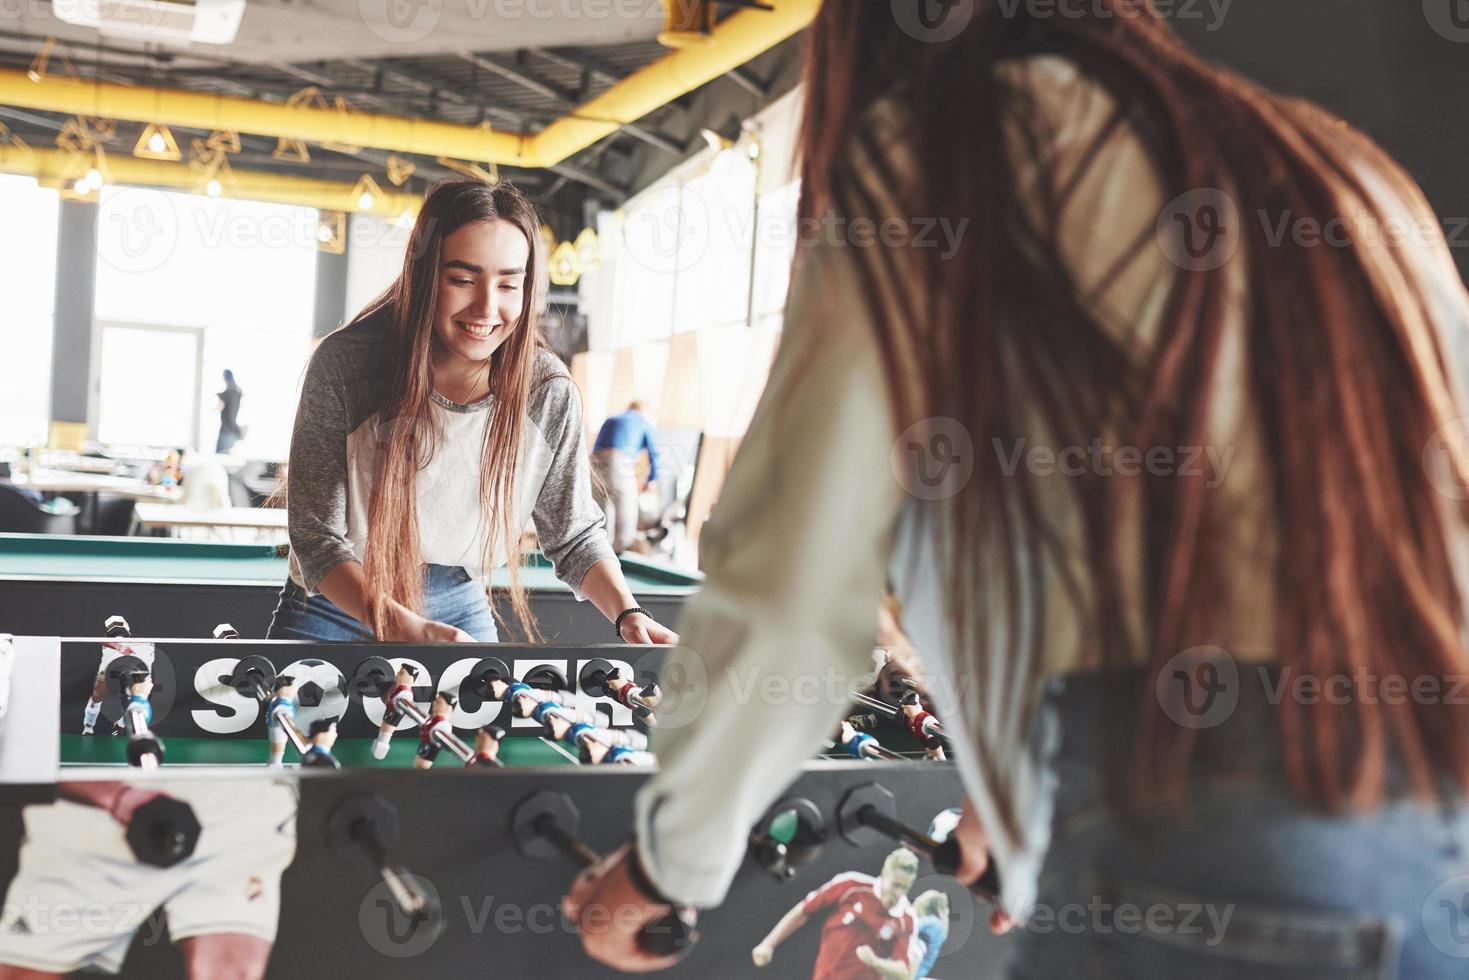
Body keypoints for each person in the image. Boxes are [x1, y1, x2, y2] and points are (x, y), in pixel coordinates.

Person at [565, 4, 1469, 977]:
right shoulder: (1324, 163)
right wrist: (1015, 793)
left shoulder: (944, 154)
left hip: (1194, 831)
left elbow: (790, 588)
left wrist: (668, 866)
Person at [267, 178, 678, 648]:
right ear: (424, 278)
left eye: (508, 283)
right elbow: (316, 538)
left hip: (457, 599)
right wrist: (403, 626)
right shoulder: (346, 365)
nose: (487, 307)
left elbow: (574, 535)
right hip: (335, 601)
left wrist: (628, 613)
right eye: (462, 280)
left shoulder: (546, 390)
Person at [750, 847, 919, 979]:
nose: (899, 894)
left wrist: (874, 962)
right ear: (884, 873)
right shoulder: (851, 885)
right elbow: (804, 910)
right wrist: (768, 944)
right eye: (896, 885)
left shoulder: (907, 919)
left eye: (905, 888)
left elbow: (904, 972)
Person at [592, 400, 659, 553]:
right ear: (643, 411)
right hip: (618, 461)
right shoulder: (643, 421)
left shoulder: (611, 419)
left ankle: (598, 557)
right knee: (627, 515)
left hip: (594, 463)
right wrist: (651, 480)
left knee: (600, 515)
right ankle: (621, 561)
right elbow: (654, 453)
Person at [215, 369, 244, 453]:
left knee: (221, 459)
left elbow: (220, 407)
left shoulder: (228, 393)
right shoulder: (237, 392)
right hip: (233, 433)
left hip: (226, 433)